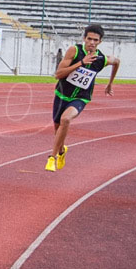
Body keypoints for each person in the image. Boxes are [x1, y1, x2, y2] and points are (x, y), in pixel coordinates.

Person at [45, 24, 120, 172]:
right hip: (62, 95)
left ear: (100, 42)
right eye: (89, 39)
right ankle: (61, 151)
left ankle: (52, 158)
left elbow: (117, 62)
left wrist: (110, 84)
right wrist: (81, 63)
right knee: (57, 130)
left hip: (81, 98)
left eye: (95, 40)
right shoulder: (75, 51)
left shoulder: (101, 59)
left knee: (65, 120)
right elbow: (58, 74)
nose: (92, 42)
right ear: (84, 38)